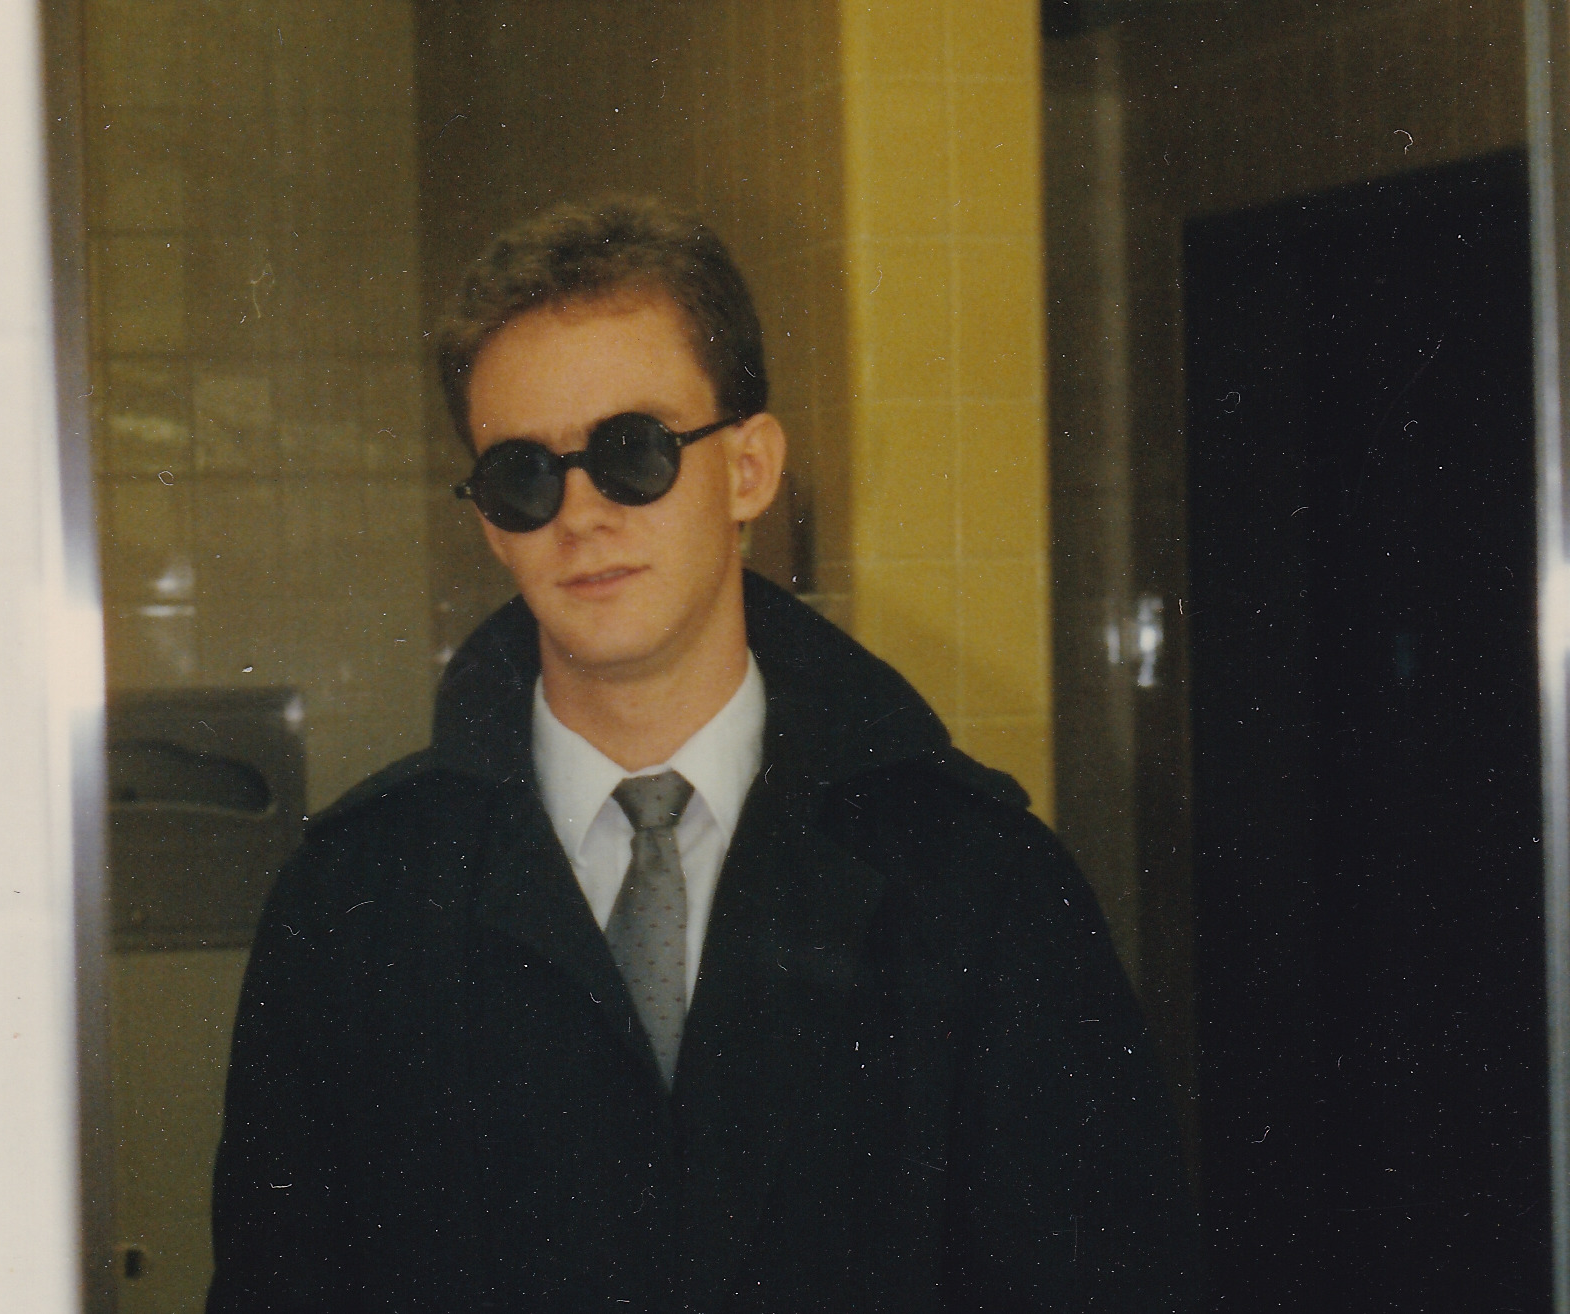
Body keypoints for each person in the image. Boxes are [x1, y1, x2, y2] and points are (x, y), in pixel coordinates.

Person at [207, 196, 1198, 1312]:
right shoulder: (355, 906)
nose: (580, 515)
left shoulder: (980, 886)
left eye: (633, 454)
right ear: (488, 520)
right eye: (524, 474)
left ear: (748, 469)